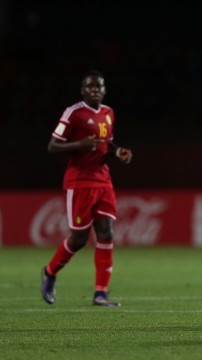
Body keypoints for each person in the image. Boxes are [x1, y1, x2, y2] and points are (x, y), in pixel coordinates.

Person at [40, 70, 133, 307]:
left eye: (99, 87)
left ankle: (100, 293)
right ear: (83, 91)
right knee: (79, 239)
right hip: (79, 182)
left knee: (107, 233)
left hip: (103, 180)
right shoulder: (74, 113)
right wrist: (79, 144)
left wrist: (117, 151)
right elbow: (52, 146)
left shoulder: (108, 112)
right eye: (90, 87)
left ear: (104, 90)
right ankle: (50, 272)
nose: (95, 90)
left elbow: (107, 141)